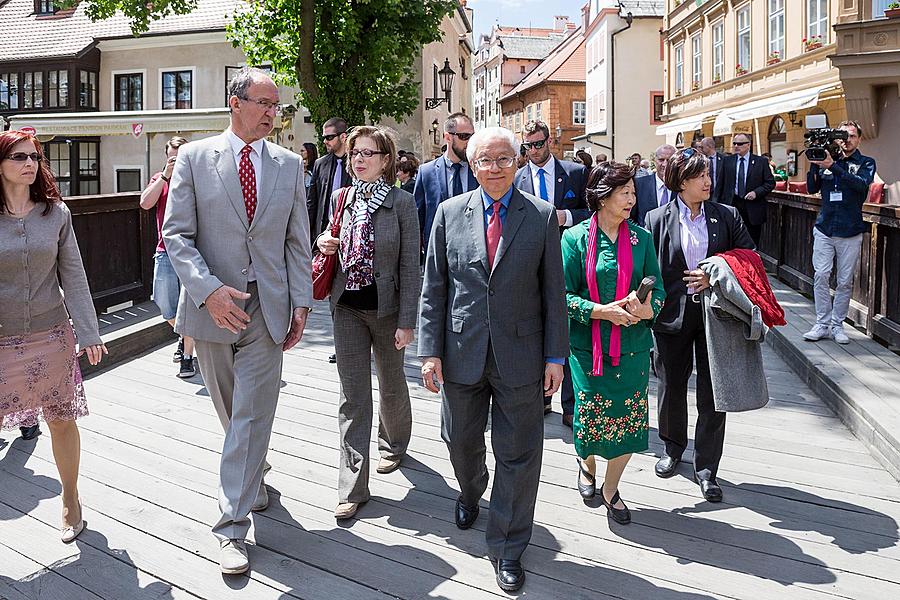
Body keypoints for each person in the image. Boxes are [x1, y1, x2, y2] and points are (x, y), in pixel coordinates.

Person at [163, 67, 313, 575]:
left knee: (251, 415)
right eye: (264, 104)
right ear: (235, 102)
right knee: (233, 415)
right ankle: (254, 477)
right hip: (212, 309)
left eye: (278, 106)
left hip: (267, 307)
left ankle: (231, 525)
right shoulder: (194, 157)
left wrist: (301, 303)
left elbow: (297, 241)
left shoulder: (290, 165)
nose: (272, 113)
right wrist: (207, 291)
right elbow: (177, 236)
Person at [418, 126, 568, 593]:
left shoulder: (541, 216)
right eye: (486, 160)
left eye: (505, 159)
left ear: (518, 162)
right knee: (459, 440)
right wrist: (430, 352)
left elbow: (554, 295)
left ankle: (507, 546)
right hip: (461, 351)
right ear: (473, 164)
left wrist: (555, 357)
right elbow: (434, 288)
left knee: (520, 456)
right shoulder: (447, 213)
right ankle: (470, 486)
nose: (496, 168)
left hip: (522, 356)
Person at [0, 129, 108, 543]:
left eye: (34, 157)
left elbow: (74, 276)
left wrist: (89, 331)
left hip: (51, 335)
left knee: (61, 420)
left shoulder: (56, 214)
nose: (30, 164)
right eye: (19, 157)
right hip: (2, 340)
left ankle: (70, 497)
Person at [315, 126, 421, 520]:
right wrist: (325, 240)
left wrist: (407, 321)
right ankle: (352, 487)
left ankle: (394, 445)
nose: (359, 159)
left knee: (392, 385)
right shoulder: (342, 198)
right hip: (346, 308)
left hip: (388, 310)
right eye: (355, 153)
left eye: (369, 153)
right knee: (352, 394)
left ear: (386, 159)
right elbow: (331, 237)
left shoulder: (402, 203)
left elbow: (411, 265)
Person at [645, 148, 755, 503]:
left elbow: (748, 258)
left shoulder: (727, 215)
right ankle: (673, 449)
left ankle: (707, 468)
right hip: (670, 316)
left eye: (708, 174)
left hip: (717, 316)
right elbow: (649, 268)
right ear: (680, 182)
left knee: (713, 393)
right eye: (699, 176)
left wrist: (714, 275)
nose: (708, 181)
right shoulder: (655, 218)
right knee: (671, 386)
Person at [561, 161, 665, 524]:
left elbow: (661, 290)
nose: (632, 200)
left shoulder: (642, 239)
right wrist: (601, 312)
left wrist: (647, 307)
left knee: (630, 423)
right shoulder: (574, 239)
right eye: (625, 192)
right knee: (589, 419)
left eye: (634, 192)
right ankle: (586, 464)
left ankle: (610, 487)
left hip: (633, 347)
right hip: (588, 350)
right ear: (602, 196)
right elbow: (562, 295)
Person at [515, 119, 589, 426]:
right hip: (531, 263)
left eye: (538, 143)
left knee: (568, 330)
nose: (534, 150)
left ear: (550, 141)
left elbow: (592, 211)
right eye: (528, 145)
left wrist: (566, 215)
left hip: (569, 259)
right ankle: (542, 398)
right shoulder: (516, 178)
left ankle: (570, 405)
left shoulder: (574, 173)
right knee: (535, 327)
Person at [803, 120, 876, 345]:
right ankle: (822, 323)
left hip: (850, 230)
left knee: (844, 281)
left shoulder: (866, 162)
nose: (847, 140)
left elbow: (861, 186)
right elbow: (812, 188)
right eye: (843, 136)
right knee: (821, 275)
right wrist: (816, 163)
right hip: (825, 228)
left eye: (852, 136)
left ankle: (837, 324)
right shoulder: (826, 158)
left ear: (859, 139)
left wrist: (832, 166)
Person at [140, 135, 196, 378]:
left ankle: (187, 357)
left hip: (193, 251)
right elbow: (145, 203)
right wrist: (164, 176)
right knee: (165, 305)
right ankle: (185, 338)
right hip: (165, 250)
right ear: (166, 157)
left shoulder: (196, 177)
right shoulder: (160, 178)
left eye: (180, 156)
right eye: (172, 157)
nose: (176, 161)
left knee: (190, 306)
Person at [414, 112, 478, 251]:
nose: (470, 142)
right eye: (464, 136)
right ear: (448, 137)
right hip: (437, 250)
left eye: (472, 136)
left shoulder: (479, 170)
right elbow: (418, 219)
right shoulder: (426, 172)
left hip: (473, 251)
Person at [720, 133, 775, 245]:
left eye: (740, 144)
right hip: (732, 205)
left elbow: (770, 183)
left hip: (752, 207)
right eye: (734, 143)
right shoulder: (727, 161)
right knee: (730, 240)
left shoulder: (761, 162)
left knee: (752, 241)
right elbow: (720, 185)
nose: (736, 146)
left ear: (748, 145)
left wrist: (756, 192)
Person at [308, 117, 351, 243]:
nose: (325, 141)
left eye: (329, 137)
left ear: (343, 137)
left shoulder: (357, 163)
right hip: (322, 233)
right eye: (324, 137)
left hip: (348, 232)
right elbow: (312, 202)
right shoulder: (320, 164)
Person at [631, 144, 676, 227]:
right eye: (661, 160)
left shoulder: (682, 187)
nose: (665, 164)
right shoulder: (639, 185)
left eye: (669, 160)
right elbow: (631, 217)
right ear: (655, 160)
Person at [699, 137, 725, 203]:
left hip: (720, 194)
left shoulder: (724, 159)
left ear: (709, 147)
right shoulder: (700, 160)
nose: (700, 149)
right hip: (705, 192)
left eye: (702, 147)